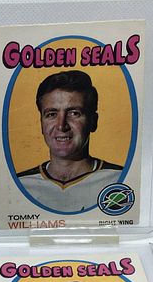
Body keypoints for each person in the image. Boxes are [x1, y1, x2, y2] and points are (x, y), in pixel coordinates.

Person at [17, 70, 123, 212]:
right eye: (52, 114)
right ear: (41, 123)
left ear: (93, 122)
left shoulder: (119, 180)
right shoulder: (19, 184)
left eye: (74, 113)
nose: (61, 126)